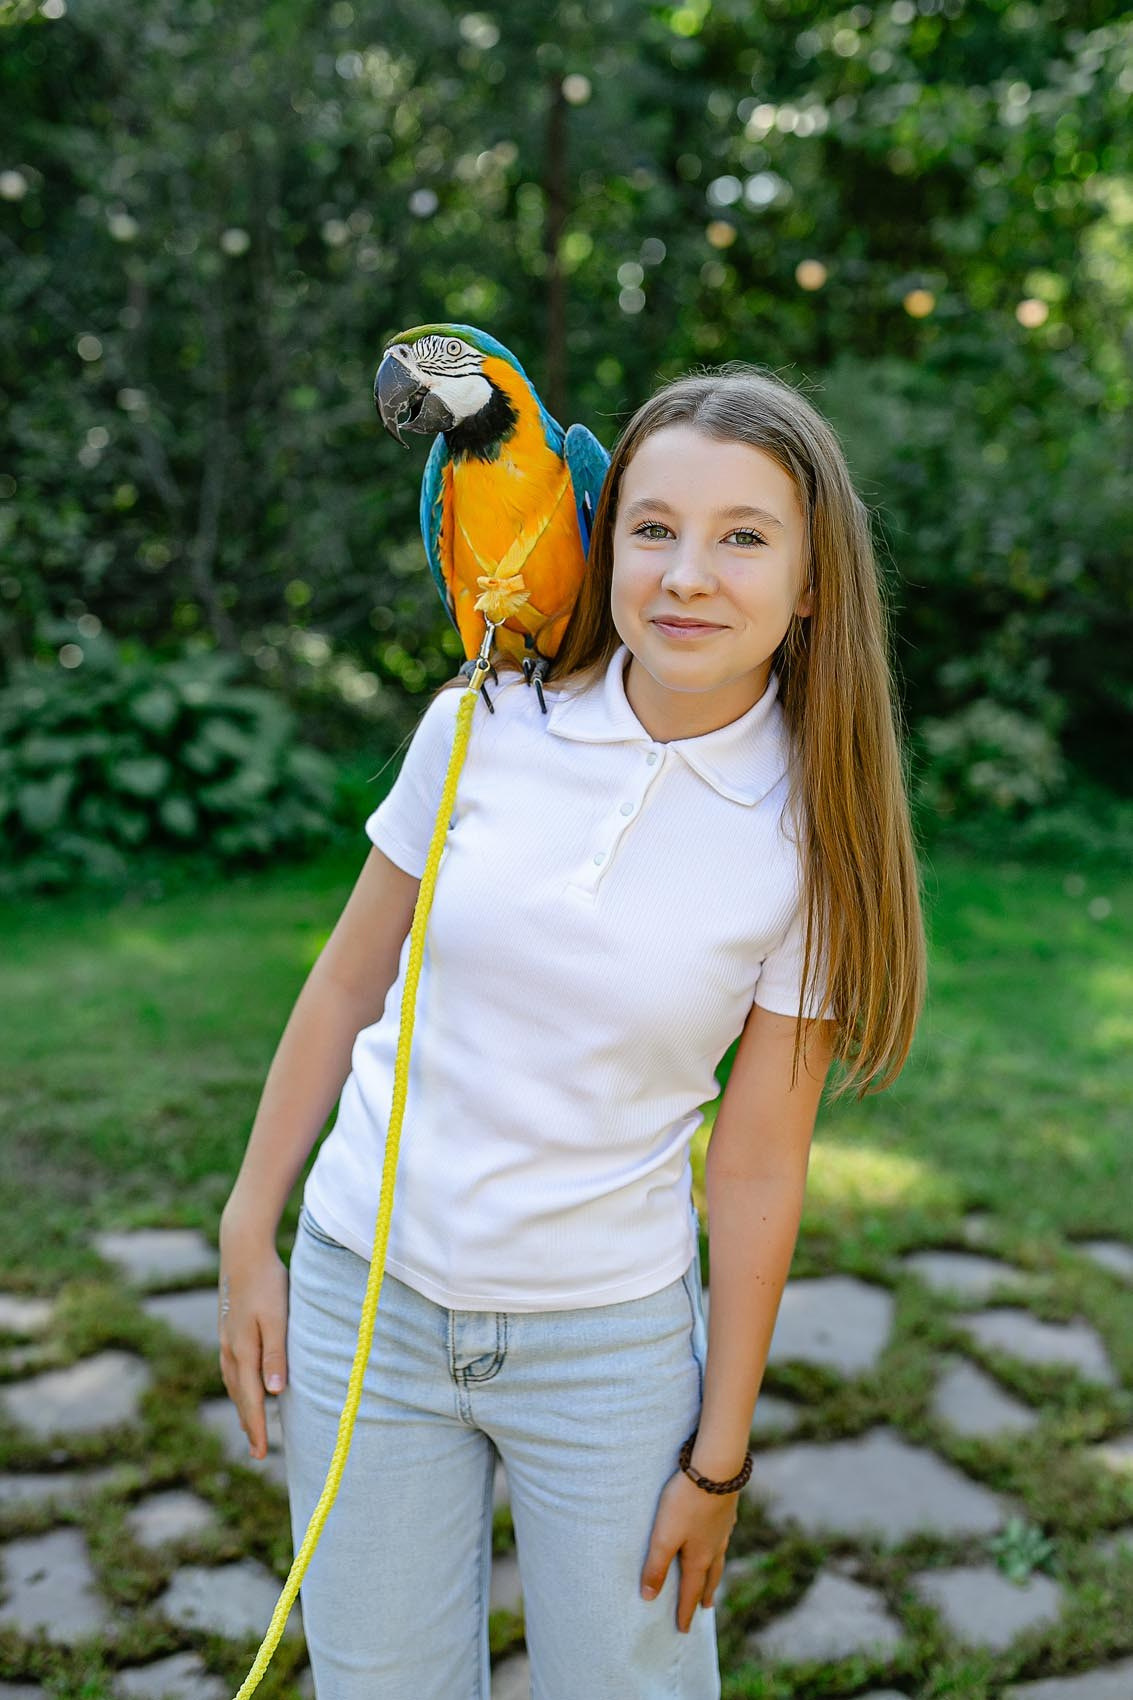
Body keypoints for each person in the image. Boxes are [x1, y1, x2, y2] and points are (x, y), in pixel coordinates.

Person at [217, 362, 927, 1699]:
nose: (685, 576)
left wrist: (717, 1458)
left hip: (607, 1350)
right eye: (652, 528)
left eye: (741, 538)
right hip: (366, 1300)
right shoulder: (481, 722)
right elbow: (341, 985)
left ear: (812, 579)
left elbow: (761, 1164)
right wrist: (249, 1225)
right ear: (603, 544)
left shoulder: (809, 841)